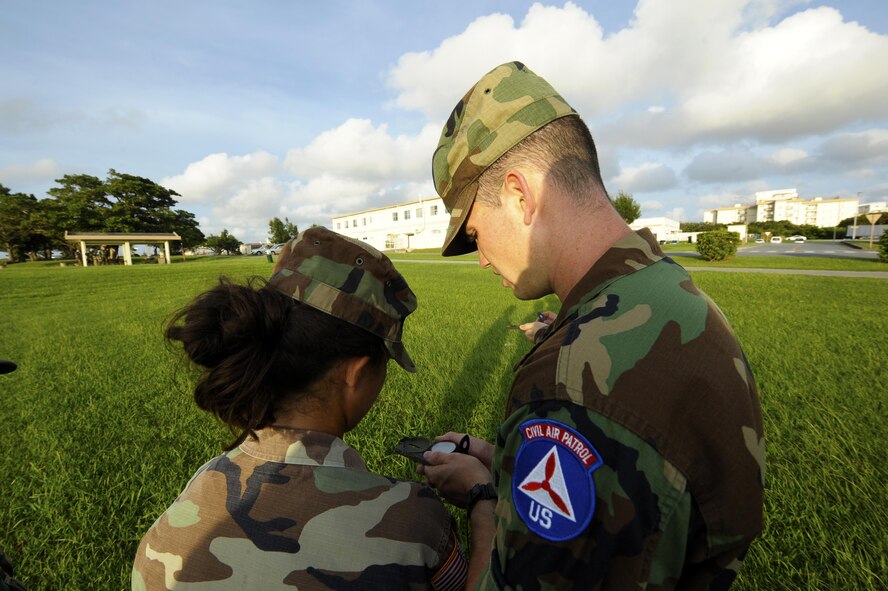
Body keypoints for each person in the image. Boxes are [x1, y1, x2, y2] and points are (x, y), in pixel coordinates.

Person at [419, 61, 765, 589]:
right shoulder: (668, 291)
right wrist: (504, 460)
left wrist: (482, 497)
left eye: (474, 232)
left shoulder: (569, 388)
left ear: (519, 196)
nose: (482, 259)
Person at [133, 227, 467, 590]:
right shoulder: (415, 522)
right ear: (355, 372)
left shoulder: (194, 495)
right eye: (384, 363)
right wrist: (483, 501)